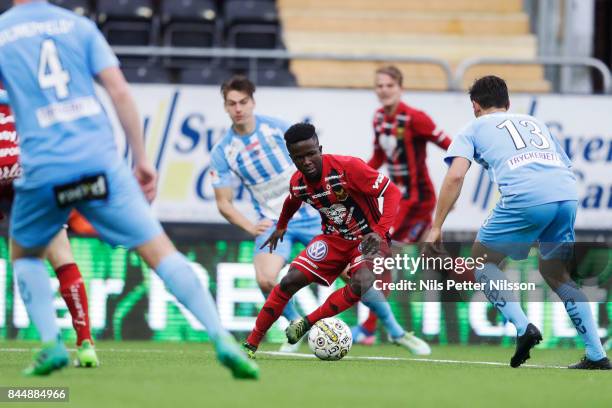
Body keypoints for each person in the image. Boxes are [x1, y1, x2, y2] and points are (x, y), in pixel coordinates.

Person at [0, 0, 257, 378]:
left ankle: (51, 344)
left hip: (43, 168)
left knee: (24, 256)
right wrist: (142, 159)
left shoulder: (4, 32)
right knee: (161, 252)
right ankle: (220, 337)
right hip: (98, 161)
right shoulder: (78, 26)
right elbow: (119, 92)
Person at [425, 75, 610, 369]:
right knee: (556, 273)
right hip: (566, 195)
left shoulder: (472, 127)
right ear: (507, 104)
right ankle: (597, 355)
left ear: (475, 106)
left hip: (526, 196)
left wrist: (436, 226)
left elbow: (456, 175)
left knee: (481, 260)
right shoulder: (534, 122)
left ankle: (524, 328)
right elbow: (562, 163)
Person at [243, 123, 430, 358]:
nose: (307, 161)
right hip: (334, 239)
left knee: (361, 282)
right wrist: (281, 226)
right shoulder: (298, 182)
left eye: (311, 153)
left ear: (319, 148)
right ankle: (251, 343)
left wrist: (380, 231)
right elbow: (292, 201)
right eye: (300, 157)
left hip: (369, 239)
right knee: (290, 280)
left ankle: (308, 323)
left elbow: (391, 191)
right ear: (292, 158)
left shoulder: (348, 168)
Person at [210, 75, 321, 353]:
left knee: (353, 273)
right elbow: (224, 202)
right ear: (225, 107)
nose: (238, 108)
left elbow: (315, 162)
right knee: (265, 279)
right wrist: (250, 227)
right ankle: (297, 324)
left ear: (252, 102)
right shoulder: (224, 151)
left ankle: (395, 331)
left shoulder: (277, 129)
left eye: (243, 102)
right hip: (273, 224)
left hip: (311, 215)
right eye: (232, 103)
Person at [352, 65, 452, 344]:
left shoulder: (415, 118)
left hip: (418, 202)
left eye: (389, 86)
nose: (383, 90)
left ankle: (369, 330)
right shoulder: (379, 118)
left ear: (400, 88)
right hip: (400, 202)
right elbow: (377, 157)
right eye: (379, 86)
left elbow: (453, 147)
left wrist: (452, 190)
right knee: (436, 258)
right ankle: (492, 287)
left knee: (382, 256)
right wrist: (355, 177)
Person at [0, 90, 99, 367]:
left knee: (23, 262)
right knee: (61, 256)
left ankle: (54, 343)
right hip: (29, 165)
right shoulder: (24, 68)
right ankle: (85, 343)